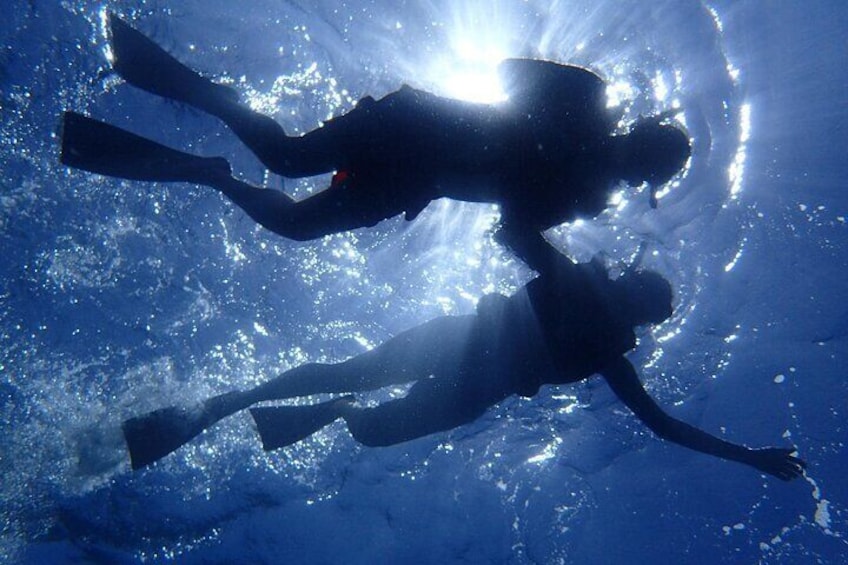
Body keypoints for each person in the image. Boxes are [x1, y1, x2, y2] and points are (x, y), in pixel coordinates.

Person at [60, 15, 691, 266]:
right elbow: (509, 74)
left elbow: (512, 231)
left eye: (643, 175)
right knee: (286, 155)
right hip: (413, 126)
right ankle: (200, 92)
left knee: (298, 227)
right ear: (636, 136)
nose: (630, 174)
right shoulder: (588, 99)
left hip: (414, 182)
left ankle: (212, 174)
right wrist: (556, 125)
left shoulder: (583, 194)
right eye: (642, 159)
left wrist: (554, 264)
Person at [123, 254, 805, 482]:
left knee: (368, 427)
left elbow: (662, 424)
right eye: (636, 293)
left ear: (639, 319)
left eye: (641, 308)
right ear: (628, 286)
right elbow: (524, 235)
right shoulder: (574, 278)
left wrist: (753, 456)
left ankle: (315, 413)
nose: (630, 304)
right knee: (343, 370)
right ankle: (209, 409)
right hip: (457, 346)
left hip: (474, 386)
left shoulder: (606, 352)